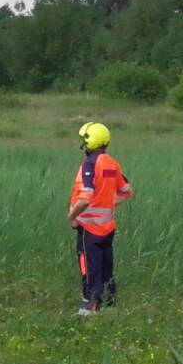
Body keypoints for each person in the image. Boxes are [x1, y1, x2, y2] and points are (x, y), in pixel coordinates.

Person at [67, 122, 133, 316]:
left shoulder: (89, 164)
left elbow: (86, 196)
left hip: (89, 227)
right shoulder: (112, 163)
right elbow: (126, 191)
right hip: (107, 227)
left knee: (89, 265)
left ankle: (91, 306)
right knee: (105, 265)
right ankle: (110, 305)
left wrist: (72, 216)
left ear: (90, 142)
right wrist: (107, 204)